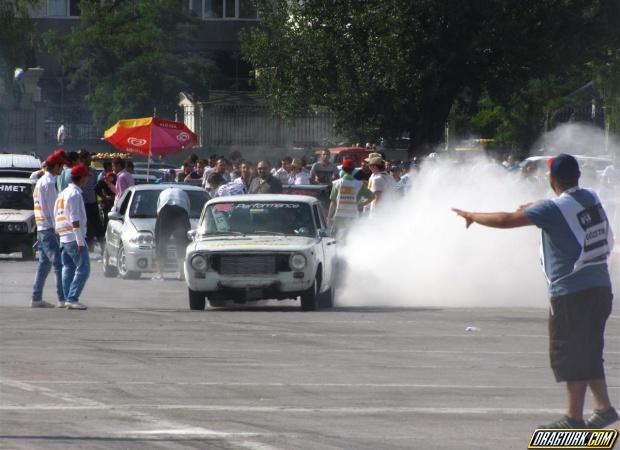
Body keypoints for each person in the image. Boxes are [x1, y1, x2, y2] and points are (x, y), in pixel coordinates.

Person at [452, 154, 617, 429]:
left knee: (571, 354)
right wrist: (537, 204)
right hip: (600, 288)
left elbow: (505, 219)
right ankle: (604, 408)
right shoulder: (591, 197)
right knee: (589, 350)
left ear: (551, 179)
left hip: (571, 292)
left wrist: (472, 216)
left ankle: (574, 419)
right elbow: (555, 206)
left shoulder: (552, 210)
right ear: (578, 176)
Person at [31, 150, 68, 308]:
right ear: (57, 166)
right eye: (61, 167)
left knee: (44, 264)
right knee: (58, 264)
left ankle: (36, 298)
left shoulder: (40, 182)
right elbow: (54, 210)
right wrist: (58, 230)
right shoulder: (49, 183)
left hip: (40, 227)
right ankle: (62, 298)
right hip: (48, 228)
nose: (62, 170)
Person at [54, 163, 91, 310]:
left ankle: (65, 298)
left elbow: (56, 214)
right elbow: (75, 219)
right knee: (84, 268)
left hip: (63, 236)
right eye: (86, 178)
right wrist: (80, 240)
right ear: (81, 178)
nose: (87, 181)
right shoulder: (75, 194)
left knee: (68, 268)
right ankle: (72, 298)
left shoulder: (62, 193)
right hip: (73, 237)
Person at [327, 159, 373, 237]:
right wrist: (361, 204)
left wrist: (329, 217)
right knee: (350, 241)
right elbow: (372, 197)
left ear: (342, 169)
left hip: (339, 218)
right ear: (353, 170)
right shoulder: (358, 184)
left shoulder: (337, 183)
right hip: (353, 218)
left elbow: (333, 202)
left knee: (337, 241)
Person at [153, 187, 191, 281]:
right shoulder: (183, 192)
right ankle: (182, 274)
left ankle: (160, 274)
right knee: (182, 243)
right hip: (181, 211)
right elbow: (188, 209)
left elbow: (158, 210)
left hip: (165, 211)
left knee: (161, 241)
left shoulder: (163, 193)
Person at [78, 150, 104, 254]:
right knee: (86, 225)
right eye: (88, 158)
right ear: (83, 159)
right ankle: (89, 247)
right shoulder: (78, 171)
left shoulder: (93, 171)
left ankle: (103, 246)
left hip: (92, 202)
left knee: (97, 225)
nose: (90, 160)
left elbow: (95, 185)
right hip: (83, 203)